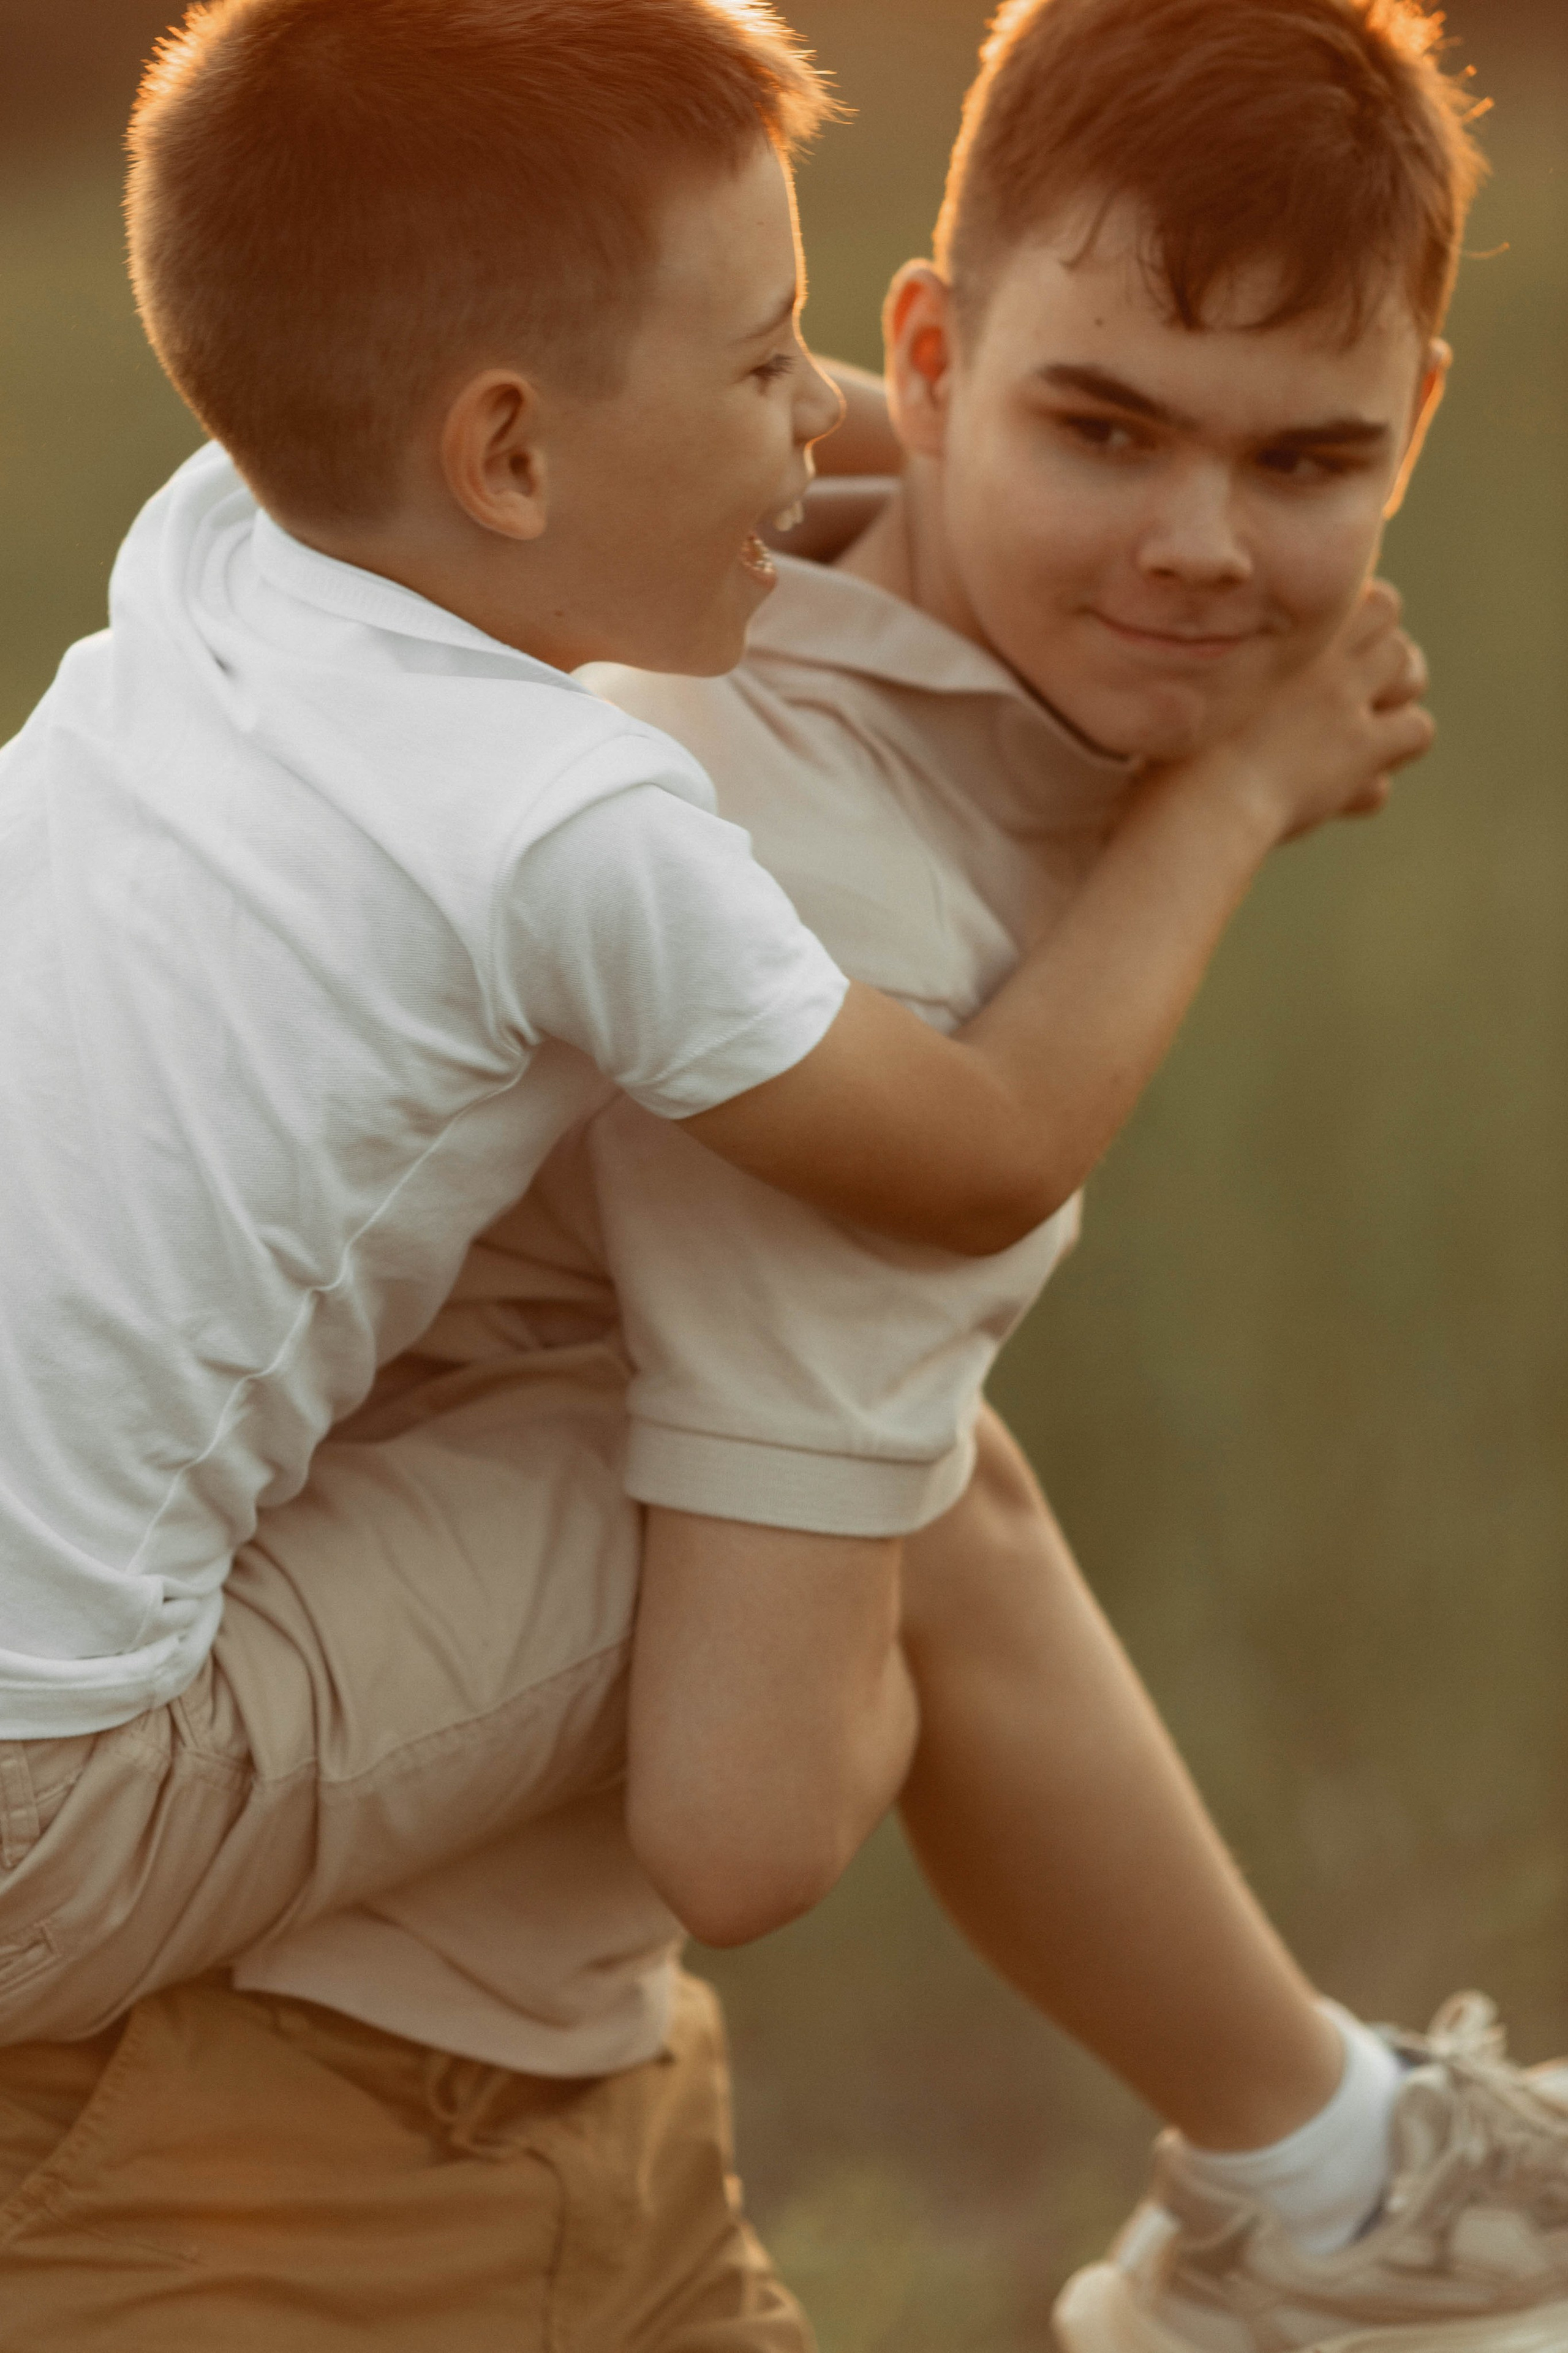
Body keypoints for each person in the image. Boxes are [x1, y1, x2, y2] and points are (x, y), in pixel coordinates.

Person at [4, 4, 1562, 2352]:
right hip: (203, 2073)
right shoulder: (638, 831)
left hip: (545, 2109)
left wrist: (950, 408)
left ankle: (1325, 2158)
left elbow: (528, 379)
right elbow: (759, 1812)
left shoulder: (250, 525)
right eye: (772, 365)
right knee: (895, 1495)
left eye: (1312, 455)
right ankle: (1327, 2182)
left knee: (926, 1481)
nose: (1206, 547)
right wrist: (1227, 802)